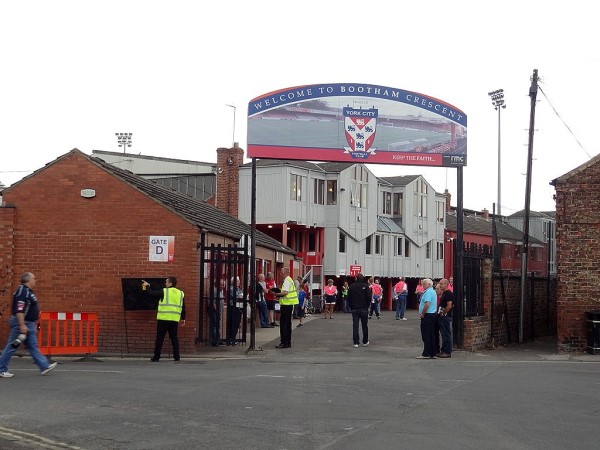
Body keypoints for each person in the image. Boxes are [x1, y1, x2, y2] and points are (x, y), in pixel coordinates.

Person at [0, 272, 58, 378]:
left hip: (29, 324)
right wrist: (22, 325)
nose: (35, 280)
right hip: (22, 323)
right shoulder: (22, 291)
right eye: (33, 278)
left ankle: (44, 366)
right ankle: (1, 368)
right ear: (28, 280)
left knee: (32, 346)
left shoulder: (28, 291)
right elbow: (19, 309)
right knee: (12, 346)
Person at [142, 276, 185, 362]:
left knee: (160, 338)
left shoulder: (164, 291)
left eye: (166, 282)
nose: (165, 283)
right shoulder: (180, 293)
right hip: (174, 320)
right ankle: (177, 357)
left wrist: (147, 286)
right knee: (174, 338)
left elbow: (151, 293)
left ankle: (156, 357)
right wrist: (183, 318)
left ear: (170, 283)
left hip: (163, 319)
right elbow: (183, 307)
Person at [272, 267, 298, 348]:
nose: (280, 274)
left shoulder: (287, 281)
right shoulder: (290, 280)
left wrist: (276, 294)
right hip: (289, 304)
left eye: (281, 272)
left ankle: (284, 342)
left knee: (284, 324)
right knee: (287, 323)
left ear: (285, 273)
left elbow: (285, 293)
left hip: (286, 304)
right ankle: (287, 342)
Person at [348, 273, 371, 348]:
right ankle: (365, 341)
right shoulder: (366, 286)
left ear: (356, 278)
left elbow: (349, 298)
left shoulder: (351, 286)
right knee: (364, 326)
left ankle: (356, 342)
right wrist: (367, 306)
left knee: (355, 326)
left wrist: (351, 307)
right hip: (364, 308)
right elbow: (368, 298)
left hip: (354, 308)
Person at [416, 278, 438, 359]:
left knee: (426, 334)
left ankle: (426, 353)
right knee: (431, 334)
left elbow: (427, 304)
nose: (423, 285)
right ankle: (433, 352)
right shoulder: (432, 291)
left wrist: (422, 313)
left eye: (424, 283)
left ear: (429, 284)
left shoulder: (428, 292)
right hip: (432, 315)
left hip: (428, 315)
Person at [437, 278, 454, 358]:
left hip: (446, 317)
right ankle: (443, 350)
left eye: (441, 284)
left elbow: (449, 305)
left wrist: (444, 313)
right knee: (443, 334)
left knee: (447, 334)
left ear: (446, 284)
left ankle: (447, 351)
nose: (440, 285)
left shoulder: (448, 294)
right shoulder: (443, 293)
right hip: (442, 316)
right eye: (440, 283)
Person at [226, 276, 244, 346]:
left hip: (238, 307)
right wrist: (240, 297)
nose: (239, 282)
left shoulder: (238, 289)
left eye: (239, 281)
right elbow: (236, 297)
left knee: (236, 324)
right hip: (233, 307)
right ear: (233, 282)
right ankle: (231, 339)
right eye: (237, 281)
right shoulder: (231, 289)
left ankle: (233, 338)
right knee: (233, 324)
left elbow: (241, 296)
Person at [208, 278, 225, 346]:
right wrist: (216, 310)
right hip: (215, 311)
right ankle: (215, 341)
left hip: (218, 311)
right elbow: (213, 302)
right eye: (220, 284)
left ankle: (218, 339)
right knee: (215, 326)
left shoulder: (220, 291)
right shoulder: (215, 291)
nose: (222, 286)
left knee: (218, 325)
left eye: (222, 285)